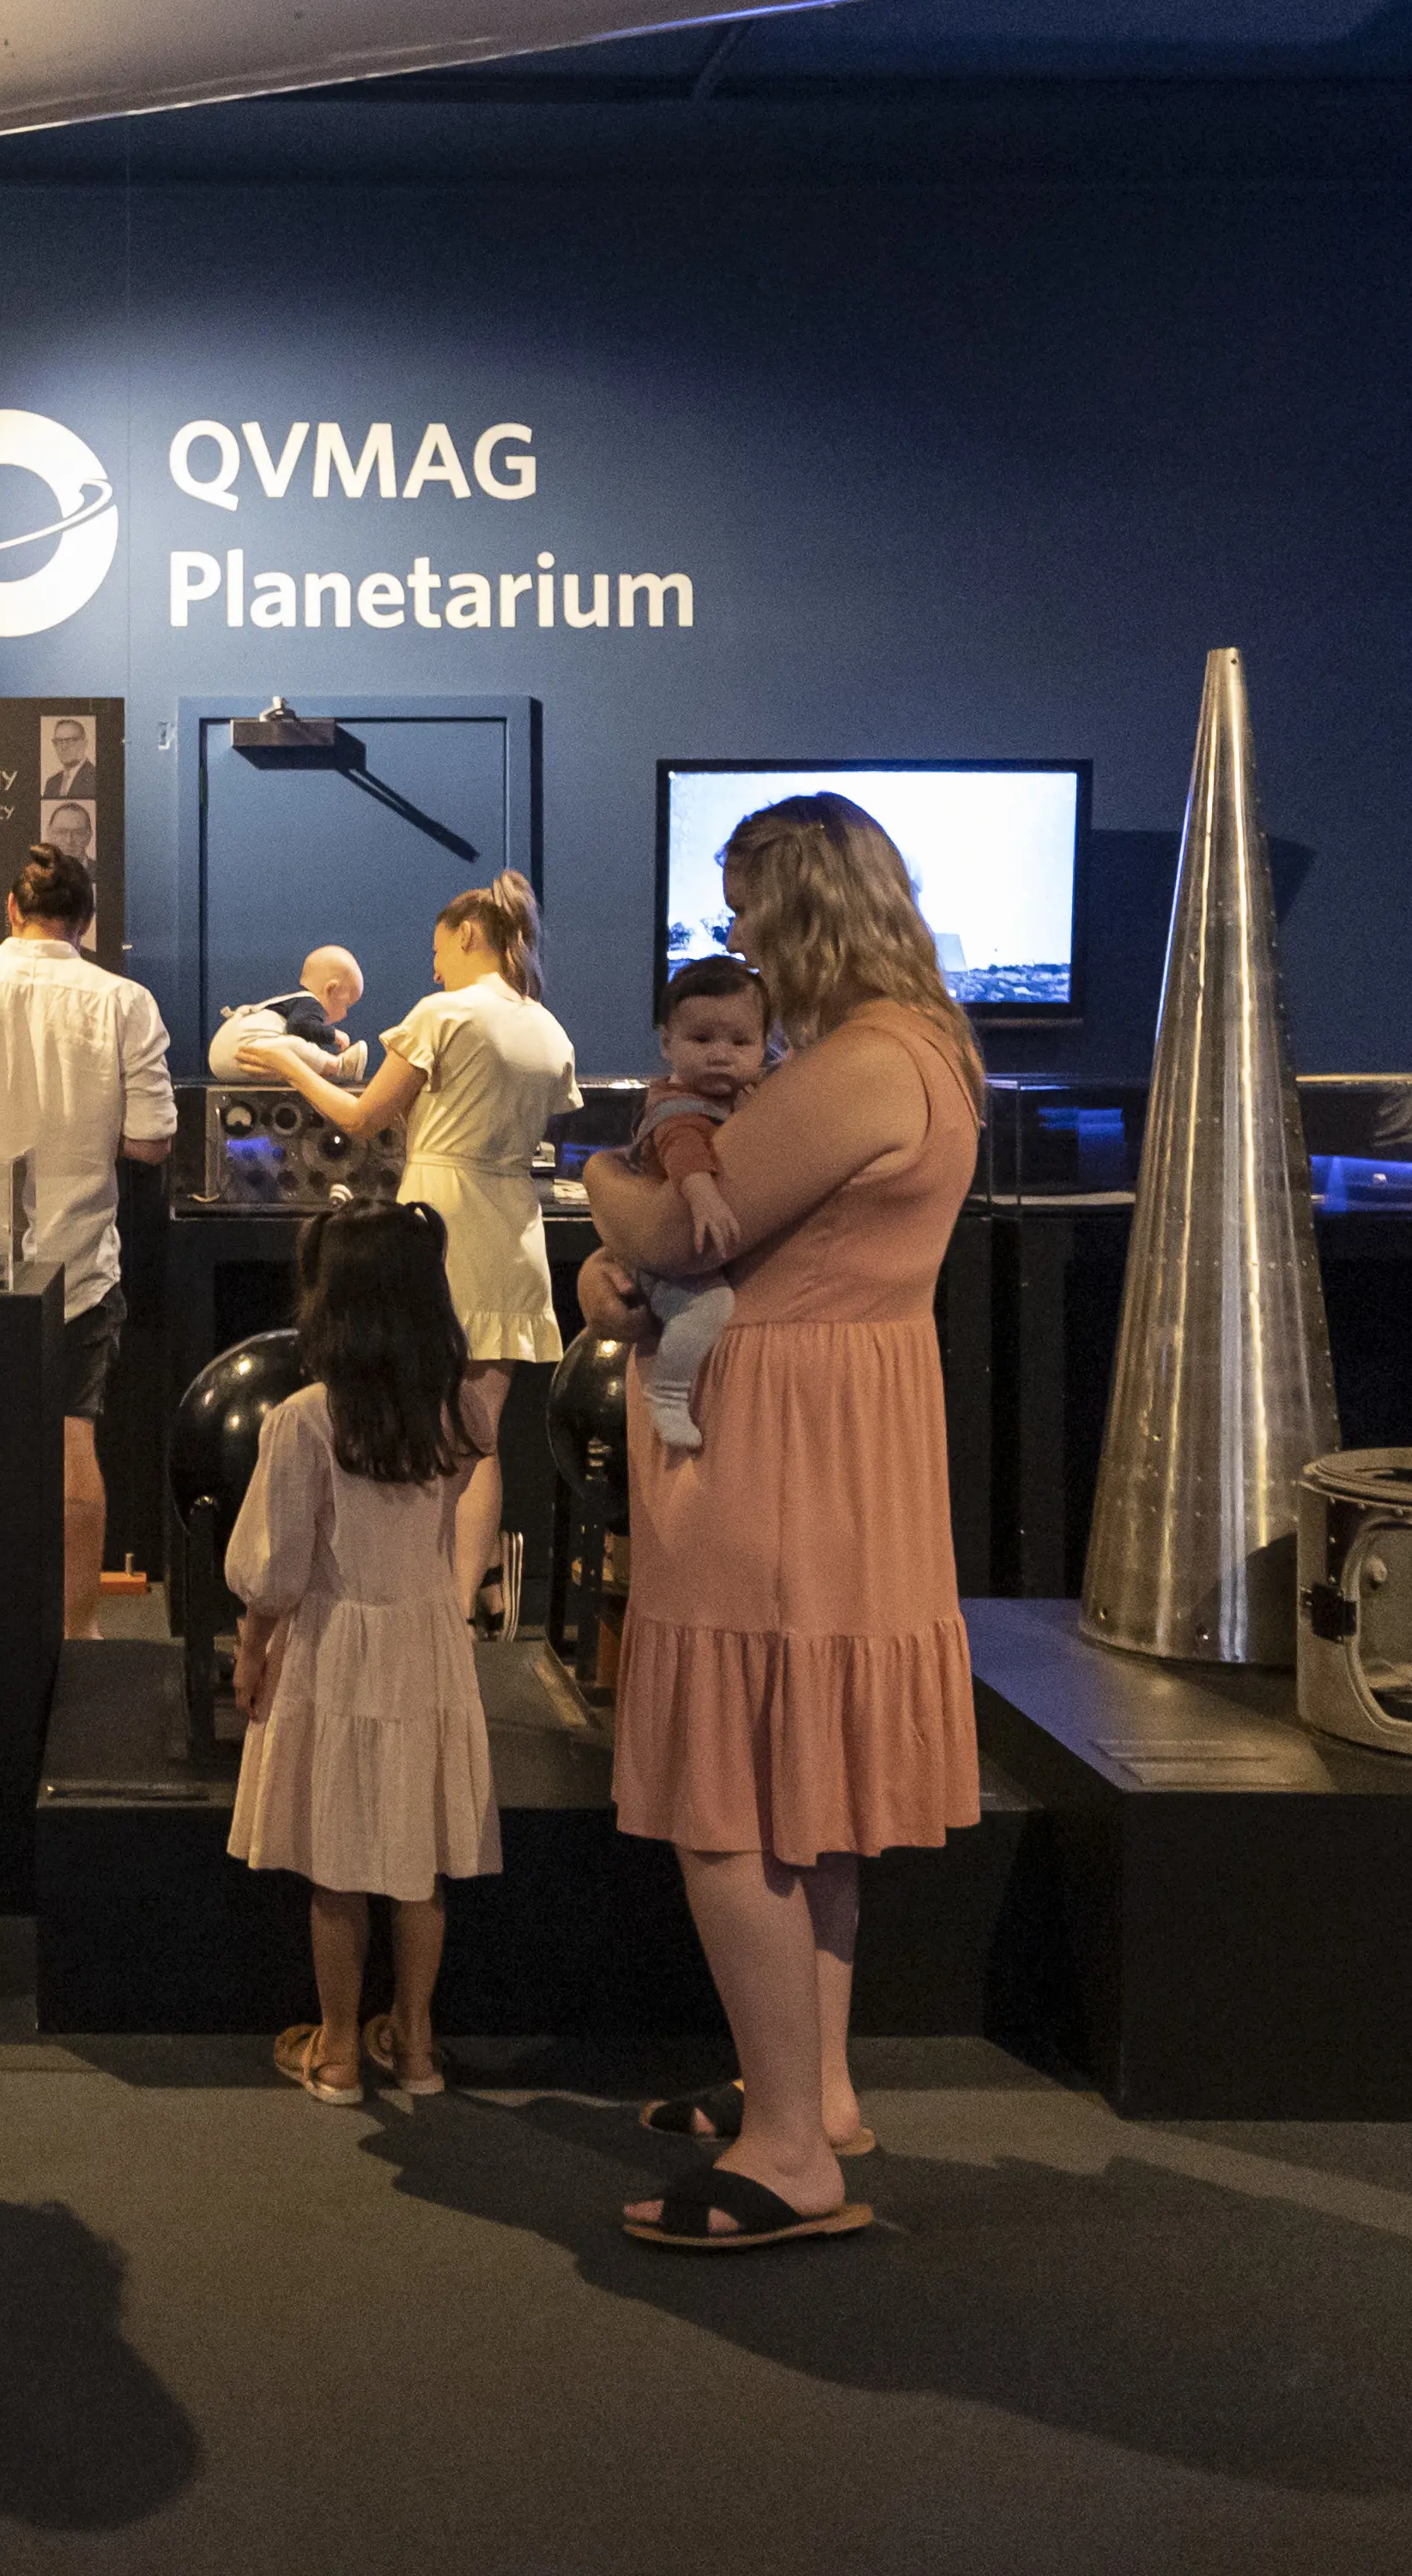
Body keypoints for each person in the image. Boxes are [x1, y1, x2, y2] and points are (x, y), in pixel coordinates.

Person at [579, 794, 983, 2250]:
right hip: (846, 1440)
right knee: (803, 1783)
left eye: (747, 901)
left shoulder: (860, 1060)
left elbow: (682, 1229)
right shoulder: (922, 1050)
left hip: (770, 1457)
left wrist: (594, 1182)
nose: (733, 932)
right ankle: (810, 2091)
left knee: (729, 1796)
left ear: (802, 905)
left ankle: (790, 2149)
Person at [231, 874, 577, 1628]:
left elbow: (361, 1118)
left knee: (423, 1417)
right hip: (516, 1227)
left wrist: (287, 1062)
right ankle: (461, 1607)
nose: (432, 968)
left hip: (445, 1219)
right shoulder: (546, 1029)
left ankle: (418, 1590)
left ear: (470, 937)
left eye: (437, 950)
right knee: (481, 1431)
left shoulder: (444, 1014)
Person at [226, 1203, 501, 2104]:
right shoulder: (456, 1408)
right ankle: (416, 2046)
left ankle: (339, 2051)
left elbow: (276, 1567)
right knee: (418, 1862)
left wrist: (253, 1649)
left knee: (337, 1863)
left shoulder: (306, 1419)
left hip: (337, 1644)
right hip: (426, 1638)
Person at [0, 843, 177, 1639]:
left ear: (10, 911)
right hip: (78, 1264)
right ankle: (78, 1634)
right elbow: (153, 1143)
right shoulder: (124, 1001)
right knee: (71, 1439)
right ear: (87, 923)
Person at [616, 955, 770, 1452]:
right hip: (666, 1264)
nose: (721, 1054)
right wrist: (703, 1199)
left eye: (740, 1042)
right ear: (667, 1043)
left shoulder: (743, 1097)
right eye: (702, 1040)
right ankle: (669, 1392)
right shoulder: (677, 1106)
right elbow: (686, 1154)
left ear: (765, 1044)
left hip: (689, 1252)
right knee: (711, 1305)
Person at [207, 945, 371, 1086]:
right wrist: (333, 1034)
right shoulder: (310, 1003)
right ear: (331, 990)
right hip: (244, 1049)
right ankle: (338, 1066)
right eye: (346, 1004)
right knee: (294, 1048)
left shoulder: (293, 999)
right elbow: (300, 1027)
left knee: (294, 1055)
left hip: (220, 1061)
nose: (345, 1014)